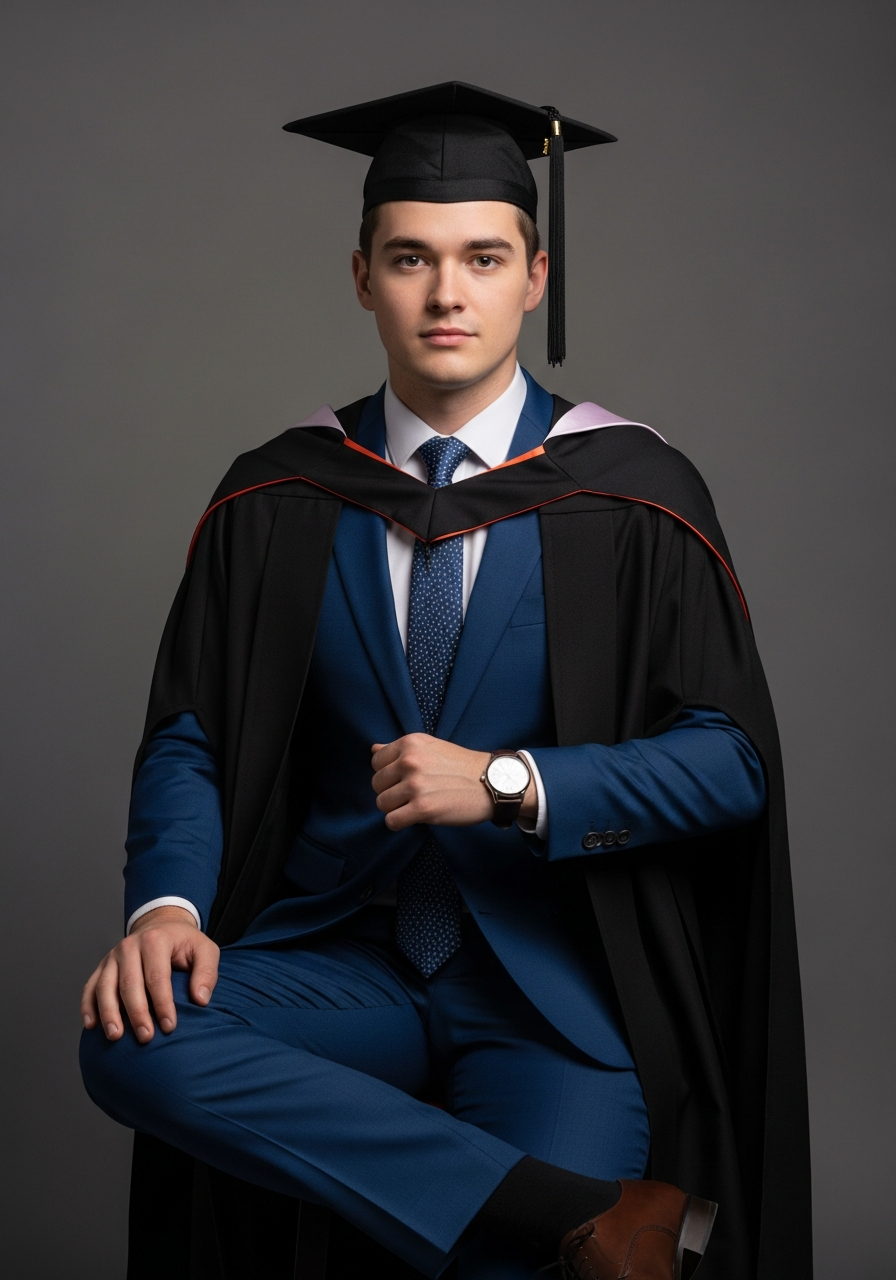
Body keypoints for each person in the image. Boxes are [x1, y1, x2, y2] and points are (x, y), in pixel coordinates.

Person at [79, 83, 812, 1280]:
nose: (445, 293)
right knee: (132, 1039)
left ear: (533, 272)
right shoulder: (282, 494)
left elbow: (729, 758)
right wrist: (165, 909)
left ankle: (506, 1211)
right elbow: (192, 736)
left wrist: (514, 781)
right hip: (342, 964)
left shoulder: (630, 494)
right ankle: (570, 1206)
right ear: (361, 273)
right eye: (410, 257)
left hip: (549, 992)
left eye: (481, 256)